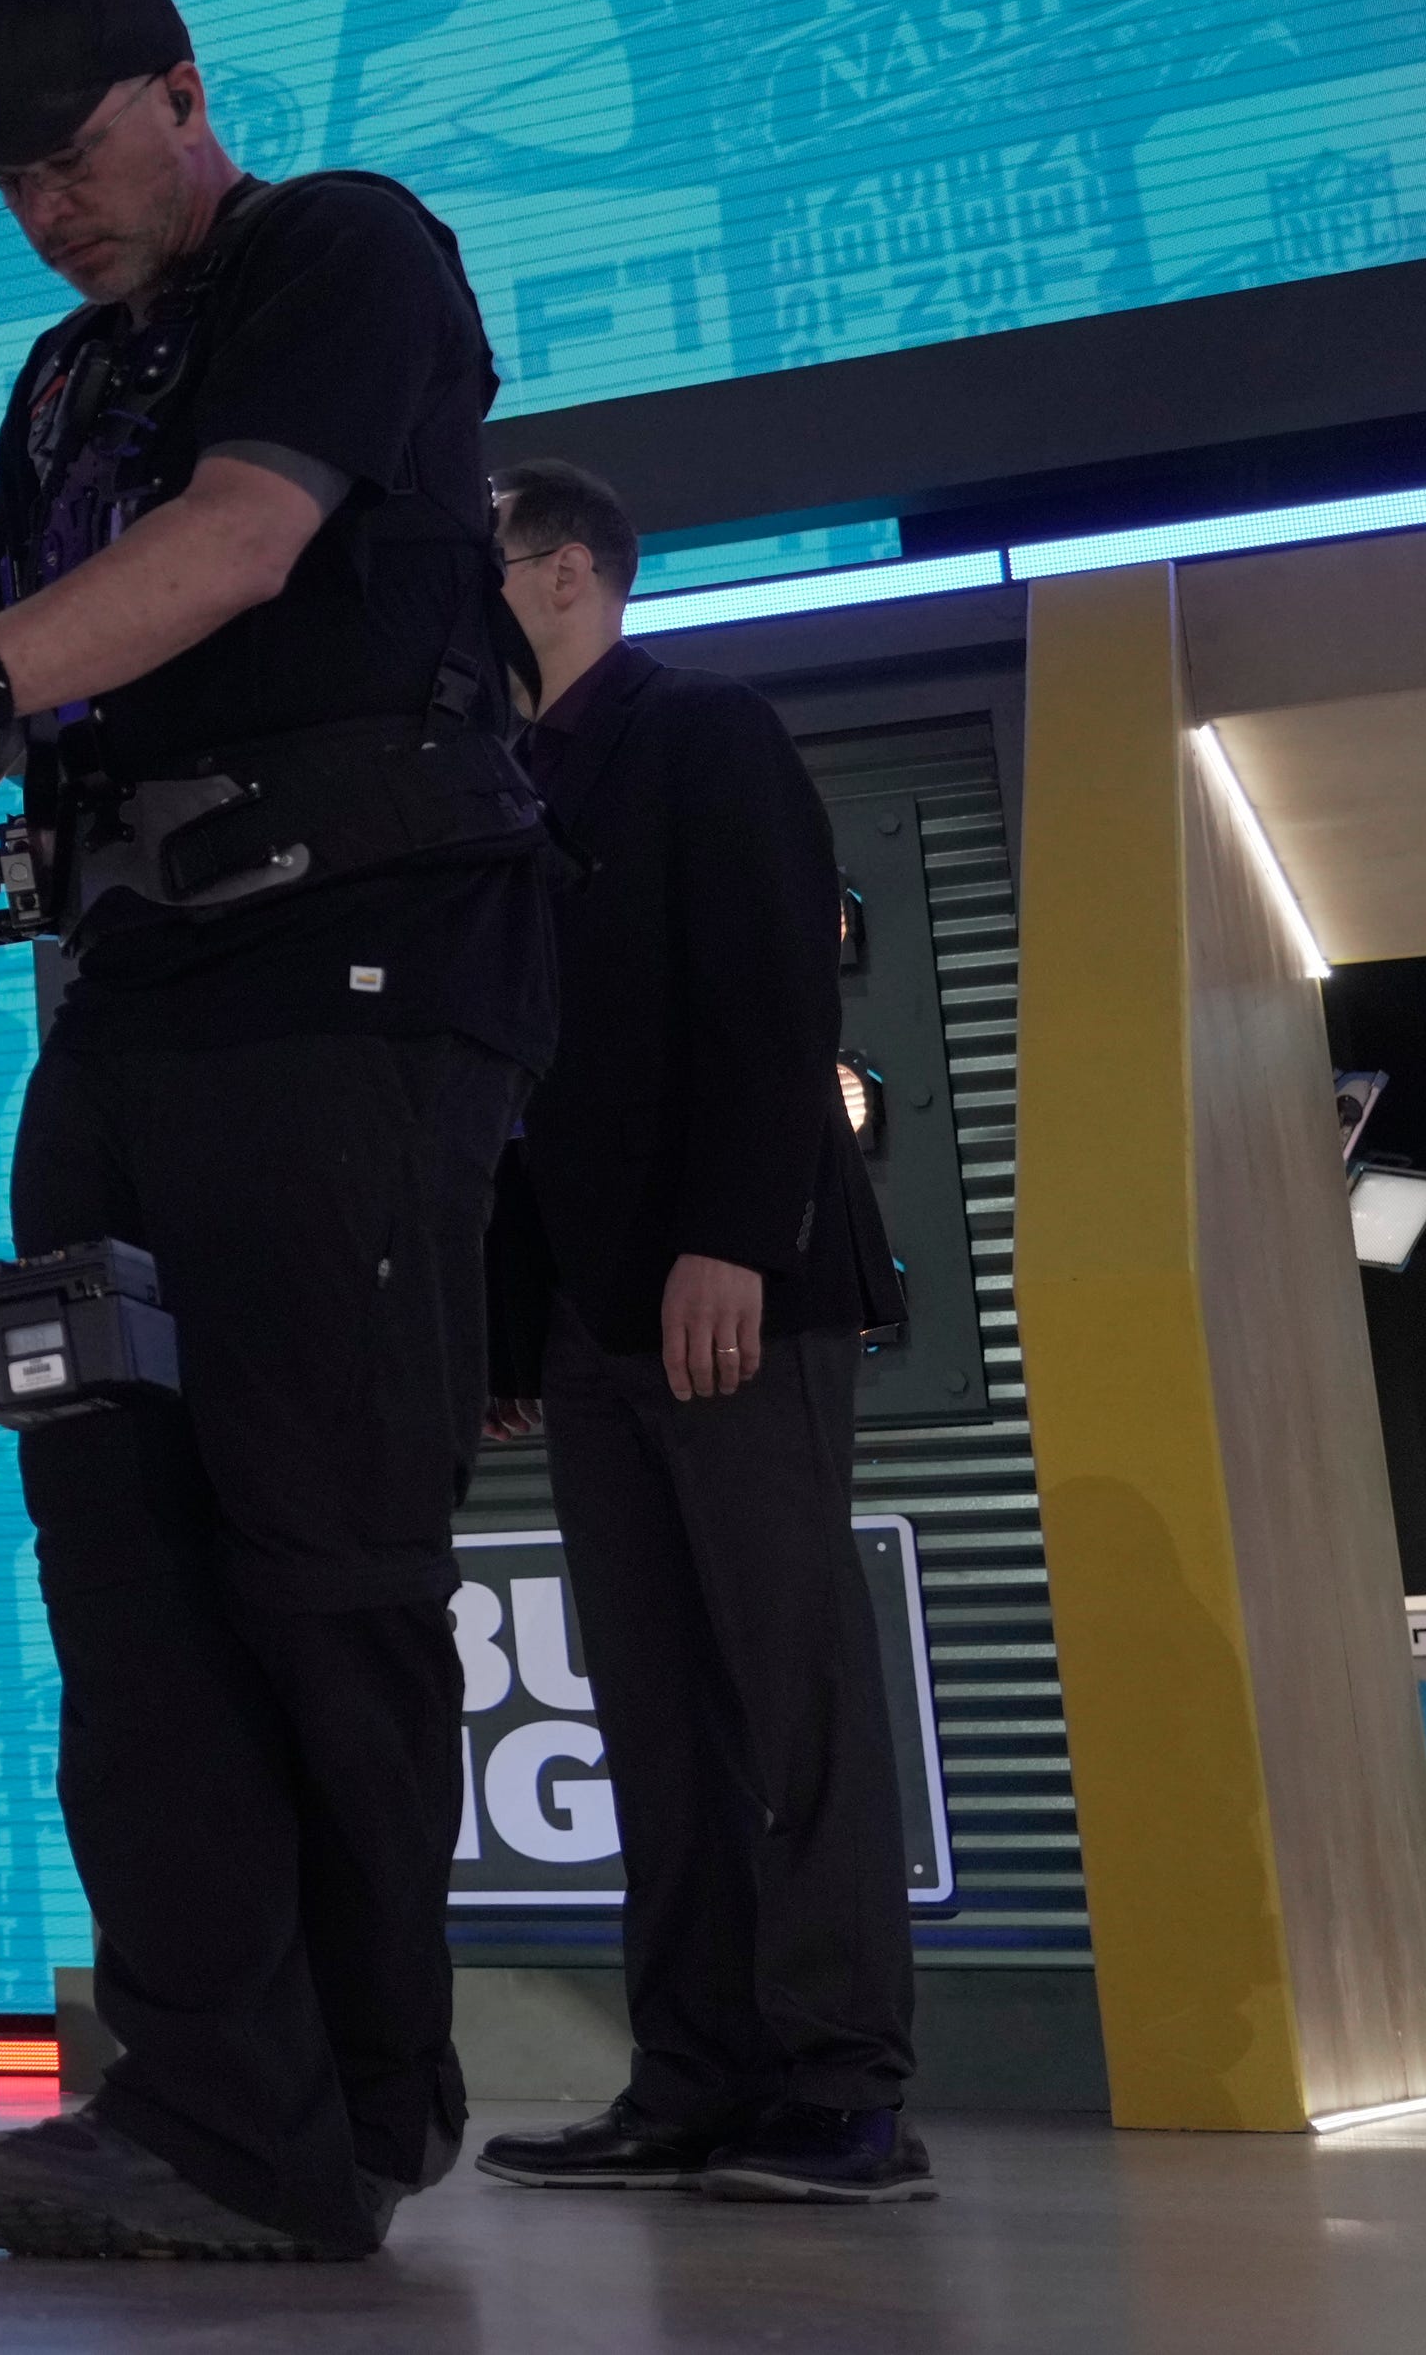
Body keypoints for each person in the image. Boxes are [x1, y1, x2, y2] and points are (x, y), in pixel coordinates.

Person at [0, 0, 555, 2264]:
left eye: (82, 151)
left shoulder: (339, 248)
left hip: (347, 989)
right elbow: (11, 717)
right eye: (18, 177)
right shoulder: (62, 382)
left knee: (322, 1566)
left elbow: (243, 543)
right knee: (126, 1584)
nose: (51, 207)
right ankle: (208, 2104)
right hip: (132, 1004)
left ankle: (349, 2104)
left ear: (186, 97)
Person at [464, 458, 925, 2208]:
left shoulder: (705, 729)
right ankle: (692, 2073)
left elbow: (772, 997)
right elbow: (519, 1077)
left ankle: (842, 2084)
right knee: (653, 1712)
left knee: (788, 1689)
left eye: (479, 558)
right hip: (589, 1316)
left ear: (566, 569)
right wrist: (515, 1325)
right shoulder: (503, 782)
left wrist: (737, 1234)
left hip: (737, 1288)